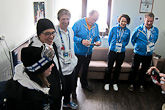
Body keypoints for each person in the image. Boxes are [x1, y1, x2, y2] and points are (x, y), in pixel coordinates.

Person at [29, 18, 65, 110]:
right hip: (47, 91)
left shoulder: (51, 44)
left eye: (53, 32)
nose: (51, 36)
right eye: (47, 33)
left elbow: (57, 66)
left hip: (56, 85)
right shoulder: (34, 52)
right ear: (39, 34)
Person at [5, 45, 55, 110]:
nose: (52, 65)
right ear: (40, 69)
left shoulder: (28, 76)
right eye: (49, 65)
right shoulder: (31, 100)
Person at [72, 10, 101, 95]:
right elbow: (71, 35)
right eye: (93, 19)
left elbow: (97, 37)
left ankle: (84, 85)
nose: (94, 22)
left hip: (88, 52)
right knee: (76, 71)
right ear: (89, 15)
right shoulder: (78, 23)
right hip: (78, 52)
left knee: (85, 70)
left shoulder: (96, 26)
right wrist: (81, 41)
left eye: (96, 20)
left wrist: (98, 41)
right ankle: (73, 90)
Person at [128, 12, 159, 92]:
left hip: (148, 54)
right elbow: (133, 40)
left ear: (153, 21)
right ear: (144, 20)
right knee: (134, 69)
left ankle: (141, 85)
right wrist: (139, 47)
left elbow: (155, 40)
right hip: (138, 53)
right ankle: (131, 84)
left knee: (144, 70)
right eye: (147, 21)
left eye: (151, 21)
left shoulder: (155, 30)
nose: (149, 23)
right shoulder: (138, 29)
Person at [53, 9, 78, 109]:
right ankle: (58, 106)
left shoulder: (71, 30)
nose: (66, 21)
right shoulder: (54, 32)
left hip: (71, 65)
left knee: (70, 87)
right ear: (59, 19)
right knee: (60, 90)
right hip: (61, 68)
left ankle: (67, 103)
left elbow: (71, 47)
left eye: (68, 19)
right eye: (63, 19)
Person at [104, 14, 131, 91]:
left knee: (118, 68)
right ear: (119, 20)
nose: (123, 23)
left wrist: (121, 46)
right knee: (109, 67)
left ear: (127, 22)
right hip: (112, 51)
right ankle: (107, 83)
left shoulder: (128, 31)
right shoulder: (114, 28)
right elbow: (109, 39)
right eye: (122, 21)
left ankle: (115, 83)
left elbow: (126, 41)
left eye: (125, 22)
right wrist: (113, 46)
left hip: (121, 52)